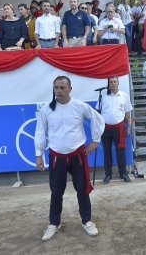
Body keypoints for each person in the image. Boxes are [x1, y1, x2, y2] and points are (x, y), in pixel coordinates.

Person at [35, 76, 105, 241]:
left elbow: (97, 119)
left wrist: (95, 140)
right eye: (56, 88)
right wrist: (39, 155)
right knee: (56, 192)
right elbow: (40, 132)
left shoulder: (80, 106)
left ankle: (87, 221)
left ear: (70, 89)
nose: (59, 91)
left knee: (82, 190)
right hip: (56, 157)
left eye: (62, 88)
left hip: (77, 156)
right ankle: (54, 223)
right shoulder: (46, 109)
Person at [97, 76, 133, 184]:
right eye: (111, 82)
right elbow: (97, 111)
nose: (113, 84)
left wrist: (129, 127)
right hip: (105, 128)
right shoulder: (103, 96)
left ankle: (123, 173)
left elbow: (127, 113)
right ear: (108, 84)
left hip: (119, 128)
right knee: (107, 152)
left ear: (118, 83)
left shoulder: (124, 96)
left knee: (120, 152)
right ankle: (108, 174)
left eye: (114, 82)